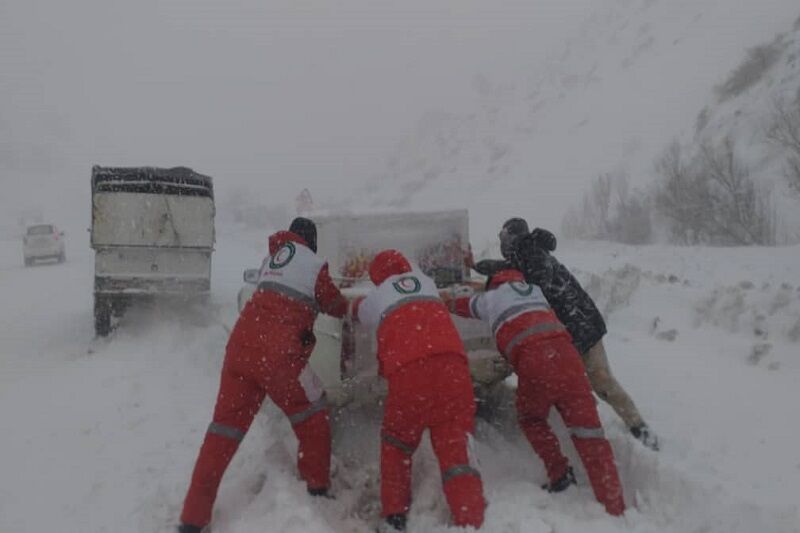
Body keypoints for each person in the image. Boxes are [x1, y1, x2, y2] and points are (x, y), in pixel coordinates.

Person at [178, 217, 348, 533]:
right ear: (311, 241)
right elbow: (335, 304)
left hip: (240, 351)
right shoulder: (313, 264)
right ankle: (317, 486)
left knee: (222, 433)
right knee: (313, 414)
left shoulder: (271, 259)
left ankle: (192, 517)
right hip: (280, 358)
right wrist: (347, 304)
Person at [445, 268, 625, 516]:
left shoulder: (491, 298)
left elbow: (460, 305)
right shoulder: (536, 291)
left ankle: (560, 474)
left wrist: (440, 299)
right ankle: (614, 503)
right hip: (569, 358)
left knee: (531, 417)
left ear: (493, 285)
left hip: (536, 361)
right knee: (589, 431)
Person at [475, 218, 658, 451]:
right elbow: (518, 270)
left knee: (600, 382)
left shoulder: (533, 255)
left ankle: (638, 426)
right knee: (578, 384)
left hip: (581, 328)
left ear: (512, 238)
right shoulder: (526, 254)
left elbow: (533, 279)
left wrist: (501, 273)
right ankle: (591, 425)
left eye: (504, 238)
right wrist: (491, 267)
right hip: (572, 329)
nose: (503, 243)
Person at [350, 249, 485, 532]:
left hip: (410, 374)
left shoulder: (378, 295)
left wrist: (349, 304)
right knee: (455, 448)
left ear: (377, 277)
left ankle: (395, 515)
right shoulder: (427, 283)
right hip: (453, 369)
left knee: (397, 444)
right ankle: (470, 520)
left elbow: (358, 313)